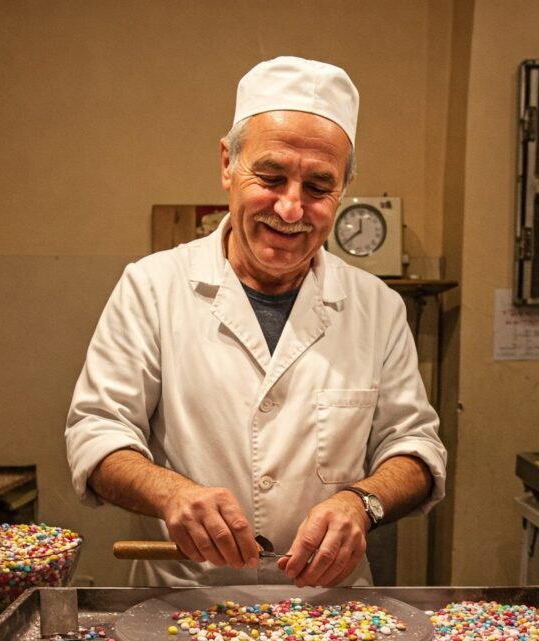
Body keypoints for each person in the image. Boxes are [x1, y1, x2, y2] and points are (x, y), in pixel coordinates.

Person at [66, 55, 447, 588]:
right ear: (228, 163)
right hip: (183, 605)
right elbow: (97, 432)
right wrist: (169, 492)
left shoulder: (376, 307)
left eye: (318, 187)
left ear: (346, 185)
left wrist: (363, 503)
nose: (291, 209)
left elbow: (416, 449)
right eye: (270, 177)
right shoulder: (152, 288)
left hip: (329, 611)